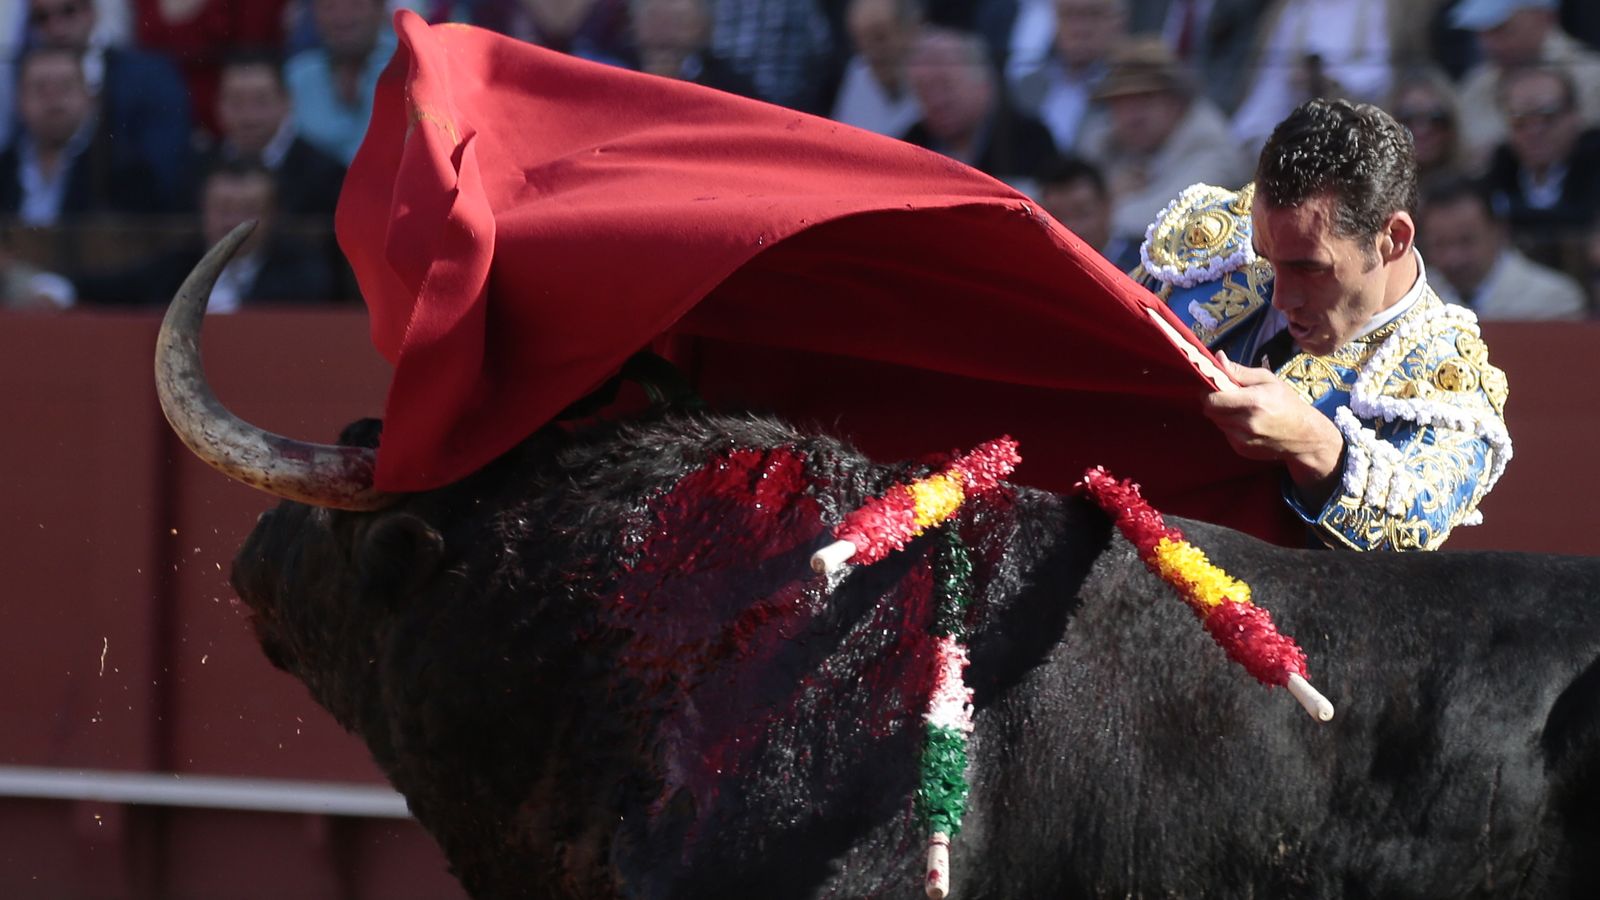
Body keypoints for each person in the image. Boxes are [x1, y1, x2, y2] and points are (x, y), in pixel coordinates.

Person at [1137, 98, 1512, 550]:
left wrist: (1313, 442)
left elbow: (1409, 533)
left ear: (1393, 239)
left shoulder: (1448, 379)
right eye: (1266, 256)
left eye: (1311, 269)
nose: (1281, 296)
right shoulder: (1217, 235)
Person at [75, 161, 336, 309]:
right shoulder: (180, 263)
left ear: (272, 215)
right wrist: (62, 288)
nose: (233, 222)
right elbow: (120, 287)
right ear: (204, 211)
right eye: (223, 209)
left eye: (247, 210)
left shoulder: (300, 269)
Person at [1077, 37, 1250, 256]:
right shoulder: (1105, 139)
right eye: (1121, 101)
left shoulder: (1212, 145)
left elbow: (1161, 221)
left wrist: (1102, 204)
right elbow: (1057, 193)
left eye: (1146, 98)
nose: (1132, 115)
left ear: (1177, 100)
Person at [902, 25, 1057, 190]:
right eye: (924, 89)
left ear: (983, 83)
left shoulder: (1031, 140)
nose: (936, 100)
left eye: (945, 85)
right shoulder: (908, 148)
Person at [1452, 0, 1600, 170]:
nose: (1488, 44)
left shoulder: (1593, 79)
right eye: (1481, 32)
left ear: (1543, 18)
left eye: (1500, 28)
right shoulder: (1476, 85)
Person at [1479, 64, 1600, 270]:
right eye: (1520, 121)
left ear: (1574, 117)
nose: (1534, 131)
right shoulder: (1495, 177)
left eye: (1547, 117)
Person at [1420, 176, 1587, 319]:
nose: (1453, 258)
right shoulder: (1414, 298)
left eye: (1466, 241)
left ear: (1499, 232)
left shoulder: (1553, 299)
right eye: (1440, 244)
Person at [829, 0, 923, 137]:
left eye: (880, 38)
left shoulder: (941, 71)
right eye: (861, 43)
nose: (871, 54)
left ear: (912, 29)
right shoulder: (858, 72)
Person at [1034, 153, 1141, 270]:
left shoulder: (1147, 268)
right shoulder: (1036, 270)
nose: (1071, 227)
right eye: (1057, 219)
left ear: (1107, 205)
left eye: (1082, 214)